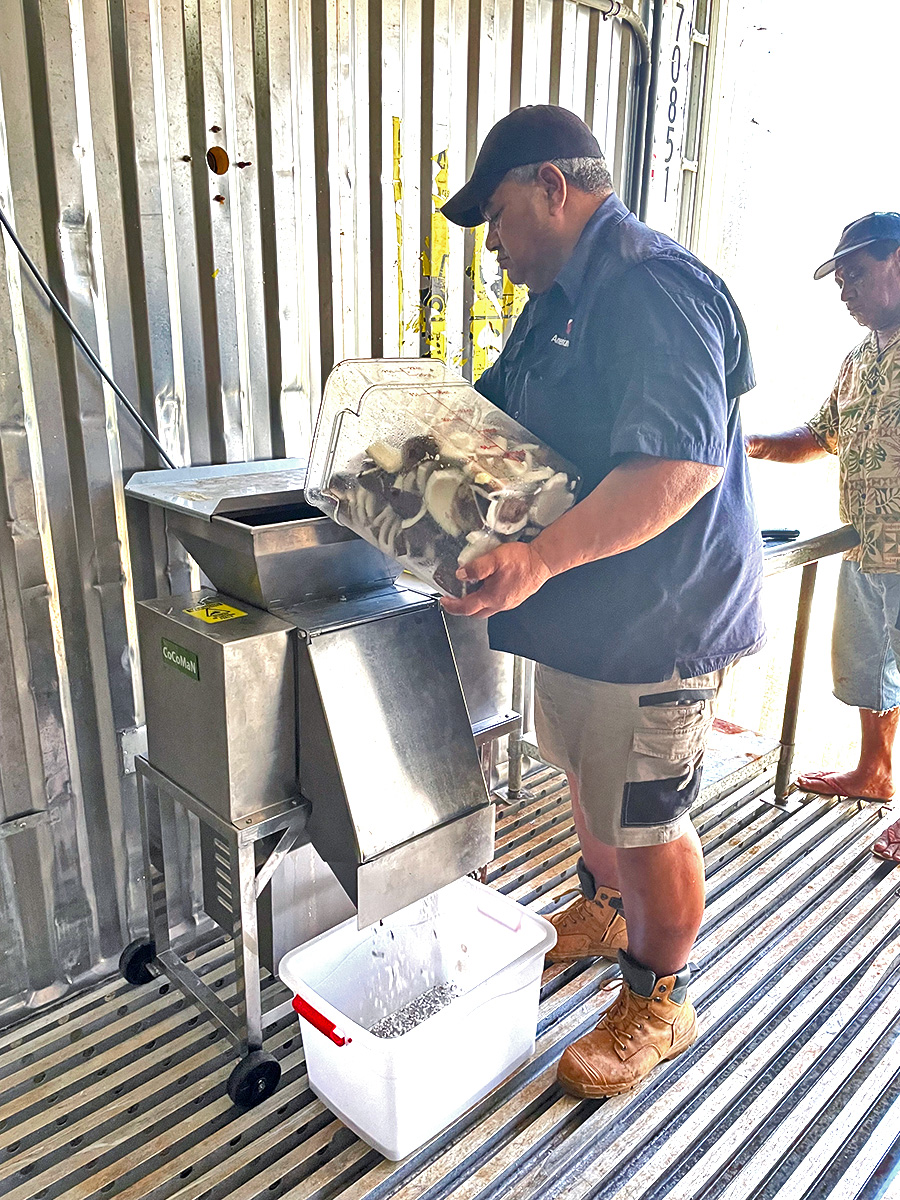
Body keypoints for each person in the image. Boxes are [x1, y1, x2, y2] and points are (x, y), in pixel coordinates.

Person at [440, 105, 763, 1097]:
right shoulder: (557, 302)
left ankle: (661, 997)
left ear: (551, 186)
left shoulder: (652, 287)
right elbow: (488, 419)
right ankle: (605, 911)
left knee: (649, 819)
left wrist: (535, 559)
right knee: (587, 782)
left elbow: (678, 466)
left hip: (656, 616)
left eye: (496, 216)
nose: (492, 247)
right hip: (585, 612)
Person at [746, 212, 900, 865]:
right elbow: (819, 436)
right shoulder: (859, 359)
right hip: (867, 544)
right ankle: (875, 771)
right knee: (870, 668)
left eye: (856, 275)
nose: (845, 291)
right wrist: (738, 442)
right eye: (839, 281)